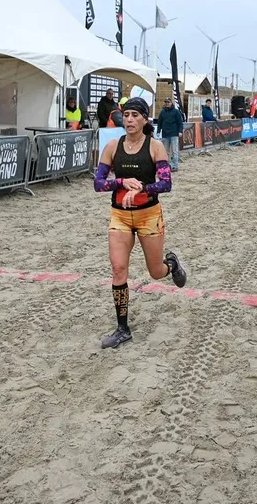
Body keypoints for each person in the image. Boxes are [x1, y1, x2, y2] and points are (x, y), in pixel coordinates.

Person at [93, 97, 188, 349]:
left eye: (135, 115)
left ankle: (172, 264)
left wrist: (143, 188)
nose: (129, 119)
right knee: (118, 269)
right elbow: (98, 183)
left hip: (149, 215)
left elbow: (166, 184)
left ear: (145, 119)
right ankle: (122, 329)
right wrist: (121, 182)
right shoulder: (113, 146)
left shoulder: (155, 147)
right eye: (126, 115)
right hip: (120, 216)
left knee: (155, 272)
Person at [157, 96, 183, 172]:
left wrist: (180, 131)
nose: (167, 103)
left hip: (174, 133)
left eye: (168, 102)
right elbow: (159, 122)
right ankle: (168, 165)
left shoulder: (176, 112)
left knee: (174, 150)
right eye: (166, 102)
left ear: (171, 103)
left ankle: (175, 166)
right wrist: (158, 131)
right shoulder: (162, 112)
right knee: (166, 151)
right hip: (165, 134)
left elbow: (180, 122)